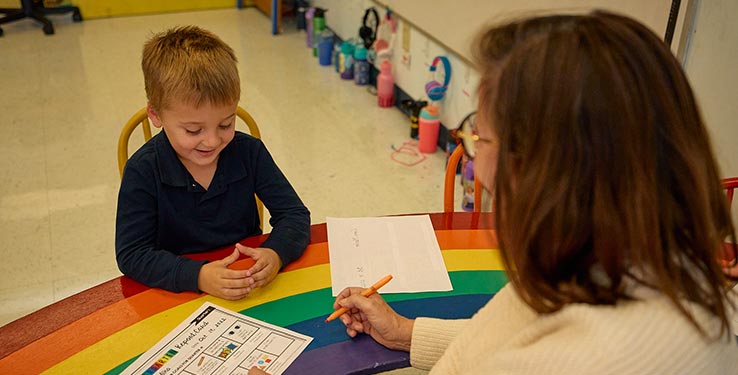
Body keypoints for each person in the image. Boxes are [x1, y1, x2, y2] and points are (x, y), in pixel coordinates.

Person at [331, 11, 738, 374]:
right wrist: (404, 333)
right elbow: (504, 337)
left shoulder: (581, 358)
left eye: (478, 137)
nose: (472, 151)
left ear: (536, 171)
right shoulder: (646, 259)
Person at [115, 26, 310, 301]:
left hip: (246, 282)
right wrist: (198, 276)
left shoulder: (248, 152)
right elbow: (132, 254)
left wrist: (275, 252)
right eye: (193, 131)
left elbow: (294, 215)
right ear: (155, 114)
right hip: (177, 290)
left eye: (226, 124)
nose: (212, 141)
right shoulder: (143, 170)